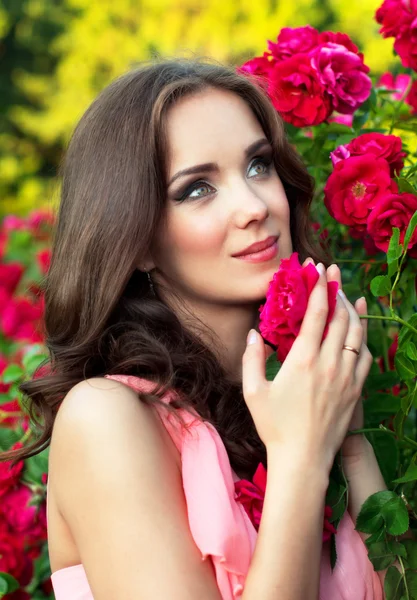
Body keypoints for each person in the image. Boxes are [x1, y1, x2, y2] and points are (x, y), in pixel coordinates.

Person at [6, 58, 388, 599]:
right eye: (196, 189)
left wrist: (347, 438)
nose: (255, 206)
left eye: (258, 165)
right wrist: (301, 460)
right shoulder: (107, 417)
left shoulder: (292, 405)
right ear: (134, 240)